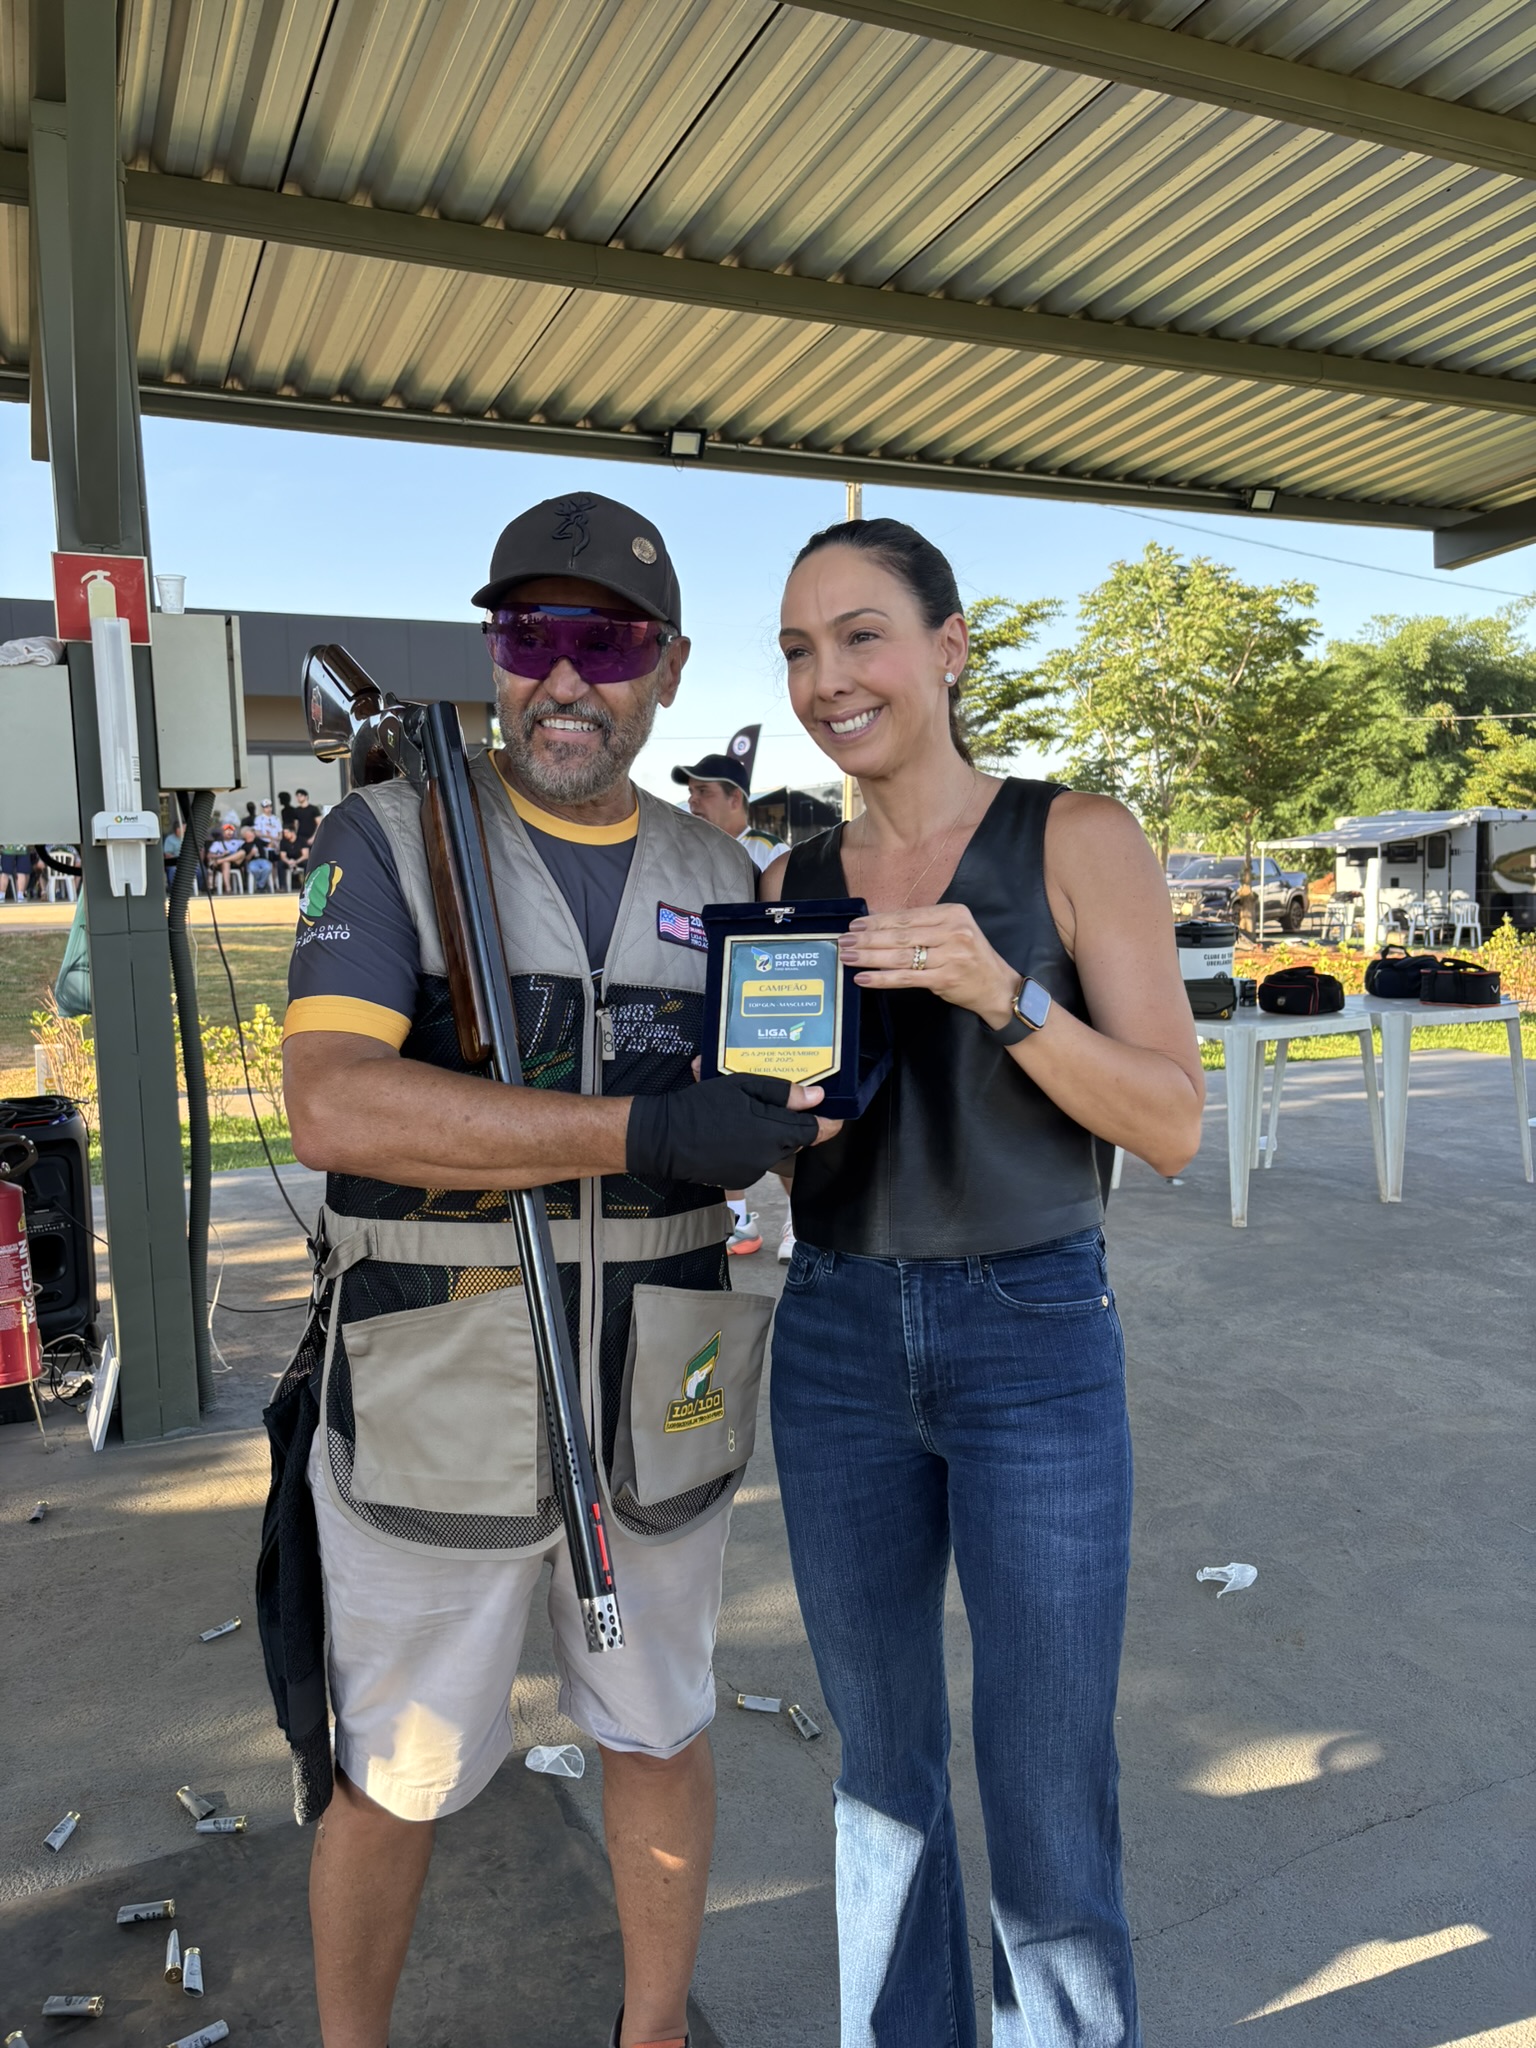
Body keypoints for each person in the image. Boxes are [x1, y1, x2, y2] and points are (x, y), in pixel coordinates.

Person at [277, 490, 838, 2048]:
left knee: (658, 1730)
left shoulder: (725, 880)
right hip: (434, 1375)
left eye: (607, 638)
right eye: (531, 633)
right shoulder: (390, 836)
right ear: (496, 655)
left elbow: (786, 1113)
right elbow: (333, 1104)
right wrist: (645, 1128)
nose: (566, 674)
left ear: (669, 667)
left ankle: (651, 2038)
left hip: (664, 1383)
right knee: (397, 1773)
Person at [762, 518, 1204, 2048]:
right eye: (799, 650)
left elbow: (1172, 1125)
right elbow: (788, 1153)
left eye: (861, 635)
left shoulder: (1076, 837)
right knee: (881, 1774)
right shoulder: (793, 880)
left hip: (1034, 1336)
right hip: (833, 1339)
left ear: (949, 649)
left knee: (1045, 1772)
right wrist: (762, 1117)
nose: (829, 678)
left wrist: (1000, 992)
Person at [669, 752, 790, 1256]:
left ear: (736, 798)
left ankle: (798, 1224)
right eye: (690, 792)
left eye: (704, 792)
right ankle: (740, 1222)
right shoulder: (688, 852)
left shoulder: (772, 855)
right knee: (719, 1113)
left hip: (763, 1005)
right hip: (708, 1001)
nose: (693, 801)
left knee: (779, 1118)